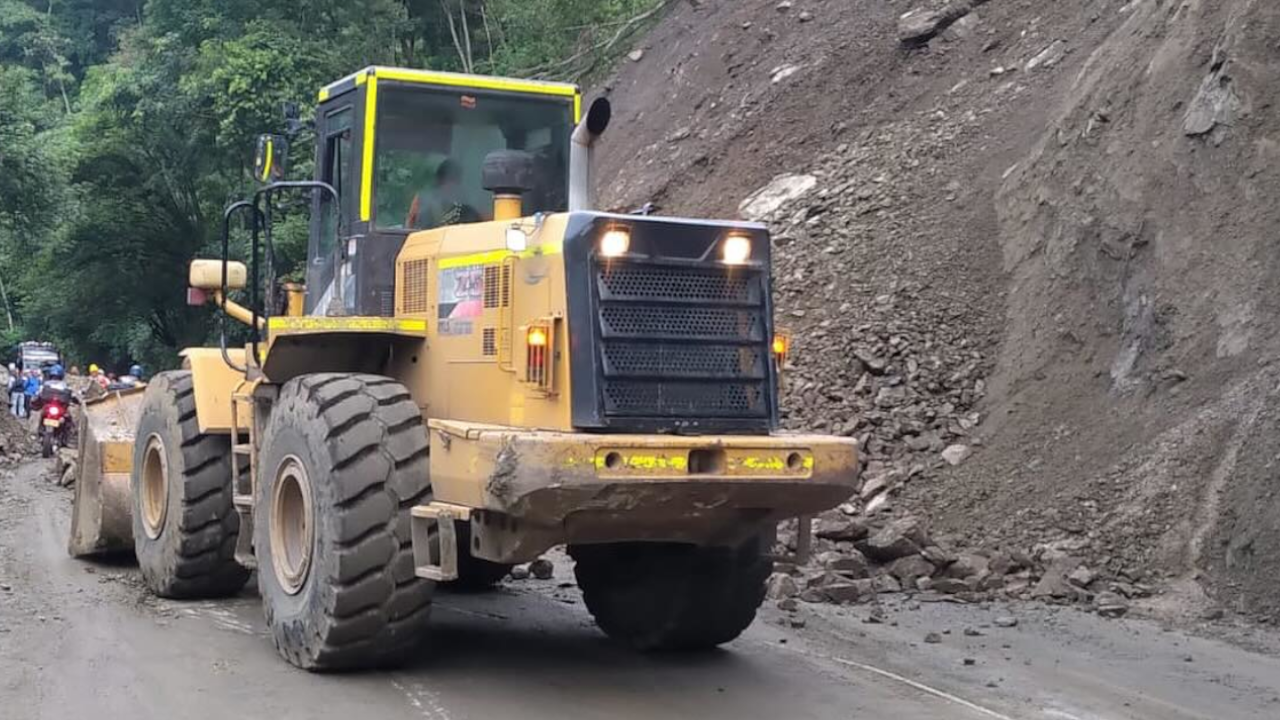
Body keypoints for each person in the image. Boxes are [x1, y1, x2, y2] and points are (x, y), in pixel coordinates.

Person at [405, 160, 483, 229]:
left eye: (455, 181)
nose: (452, 186)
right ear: (439, 182)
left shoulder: (468, 213)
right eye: (449, 181)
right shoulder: (421, 203)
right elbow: (408, 228)